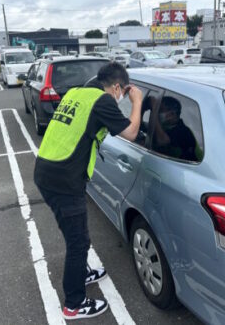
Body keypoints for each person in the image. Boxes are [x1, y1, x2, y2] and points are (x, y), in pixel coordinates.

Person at [34, 62, 143, 320]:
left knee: (76, 235)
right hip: (64, 179)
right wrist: (137, 102)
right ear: (117, 87)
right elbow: (132, 132)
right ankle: (74, 304)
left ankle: (81, 273)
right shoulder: (103, 101)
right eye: (122, 93)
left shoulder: (75, 93)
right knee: (78, 242)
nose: (121, 98)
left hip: (47, 170)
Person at [152, 96, 202, 162]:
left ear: (172, 114)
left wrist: (153, 109)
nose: (157, 112)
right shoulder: (166, 126)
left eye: (160, 110)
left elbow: (162, 141)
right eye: (157, 110)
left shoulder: (183, 132)